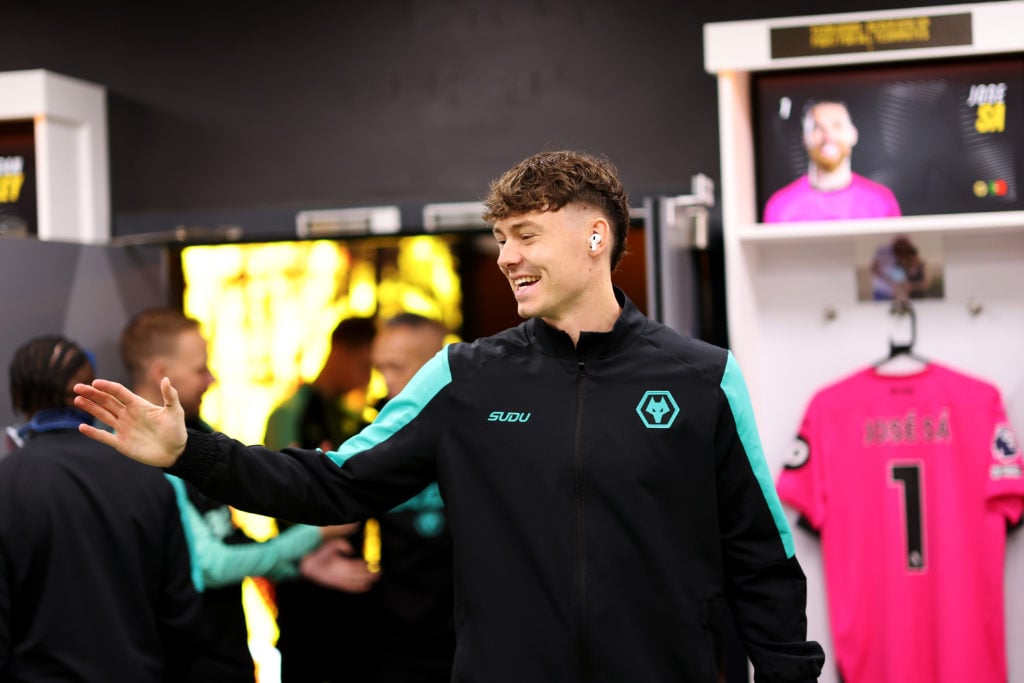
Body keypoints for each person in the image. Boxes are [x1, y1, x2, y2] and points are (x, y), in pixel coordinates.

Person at [76, 150, 826, 682]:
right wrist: (191, 451)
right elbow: (334, 483)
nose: (505, 256)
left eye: (525, 234)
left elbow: (762, 558)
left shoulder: (703, 376)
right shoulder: (464, 376)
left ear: (596, 235)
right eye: (500, 238)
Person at [120, 308, 375, 683]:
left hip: (223, 646)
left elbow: (227, 533)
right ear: (162, 374)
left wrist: (298, 565)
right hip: (184, 658)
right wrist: (313, 535)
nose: (212, 378)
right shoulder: (141, 459)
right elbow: (211, 564)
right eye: (200, 368)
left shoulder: (198, 435)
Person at [0, 334, 203, 681]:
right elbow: (181, 612)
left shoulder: (7, 484)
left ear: (18, 397)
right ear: (89, 394)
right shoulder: (150, 479)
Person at [262, 316, 380, 683]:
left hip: (347, 584)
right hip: (305, 585)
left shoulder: (353, 417)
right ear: (342, 351)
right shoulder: (290, 414)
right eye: (367, 366)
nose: (368, 377)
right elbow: (278, 496)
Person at [365, 313, 454, 683]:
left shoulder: (480, 433)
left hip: (463, 632)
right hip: (394, 637)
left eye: (397, 368)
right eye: (380, 368)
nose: (387, 383)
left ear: (432, 366)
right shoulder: (371, 438)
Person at [764, 98, 902, 222]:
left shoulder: (881, 201)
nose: (828, 137)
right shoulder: (781, 206)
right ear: (805, 138)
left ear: (853, 134)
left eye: (837, 126)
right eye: (818, 127)